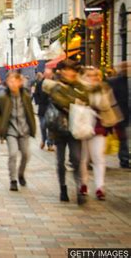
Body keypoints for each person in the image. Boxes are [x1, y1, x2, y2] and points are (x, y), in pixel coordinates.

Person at [42, 59, 89, 205]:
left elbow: (86, 99)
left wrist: (73, 100)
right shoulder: (56, 86)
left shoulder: (80, 86)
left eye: (72, 70)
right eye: (67, 70)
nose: (69, 73)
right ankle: (63, 188)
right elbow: (60, 101)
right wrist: (74, 101)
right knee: (60, 161)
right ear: (61, 71)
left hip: (76, 128)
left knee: (76, 159)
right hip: (59, 128)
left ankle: (79, 188)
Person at [79, 66, 118, 200]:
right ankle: (83, 184)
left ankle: (100, 187)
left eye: (95, 75)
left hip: (99, 127)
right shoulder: (80, 89)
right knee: (83, 159)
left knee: (98, 157)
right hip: (82, 127)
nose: (93, 78)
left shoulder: (104, 89)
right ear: (84, 76)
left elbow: (109, 106)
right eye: (90, 75)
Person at [0, 71, 36, 191]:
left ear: (20, 82)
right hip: (10, 130)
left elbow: (30, 113)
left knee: (25, 154)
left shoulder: (26, 97)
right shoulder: (3, 97)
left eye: (14, 81)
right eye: (9, 81)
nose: (12, 84)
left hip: (24, 130)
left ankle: (21, 173)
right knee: (13, 154)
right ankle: (13, 180)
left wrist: (32, 128)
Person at [107, 62, 129, 169]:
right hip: (120, 113)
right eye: (126, 67)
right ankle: (124, 159)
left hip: (126, 113)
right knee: (123, 138)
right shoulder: (114, 81)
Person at [34, 70, 54, 151]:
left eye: (50, 75)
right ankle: (43, 139)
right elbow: (35, 94)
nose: (49, 76)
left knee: (51, 127)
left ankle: (50, 143)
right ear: (44, 75)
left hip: (52, 108)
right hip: (42, 108)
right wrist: (38, 102)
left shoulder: (54, 84)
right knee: (43, 126)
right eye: (47, 75)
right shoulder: (39, 84)